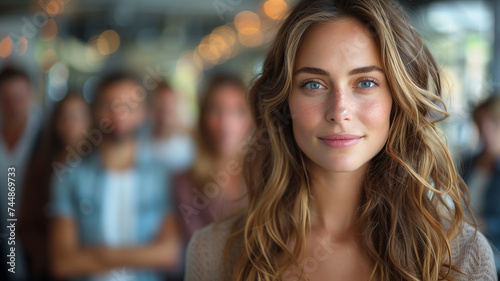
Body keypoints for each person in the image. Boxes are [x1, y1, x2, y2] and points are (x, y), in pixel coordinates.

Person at [185, 0, 497, 280]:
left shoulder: (460, 256)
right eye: (313, 85)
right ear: (284, 103)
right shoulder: (216, 253)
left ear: (398, 98)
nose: (339, 111)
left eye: (365, 82)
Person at [49, 73, 181, 281]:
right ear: (95, 112)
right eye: (109, 105)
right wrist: (144, 254)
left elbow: (170, 253)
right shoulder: (70, 175)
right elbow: (63, 262)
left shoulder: (160, 174)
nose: (119, 115)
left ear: (144, 112)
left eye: (130, 106)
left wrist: (97, 255)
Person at [18, 94, 92, 280]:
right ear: (56, 123)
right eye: (65, 117)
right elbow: (27, 224)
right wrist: (46, 260)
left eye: (77, 116)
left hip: (93, 264)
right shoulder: (41, 167)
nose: (71, 124)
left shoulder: (100, 167)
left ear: (90, 121)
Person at [174, 74, 253, 244]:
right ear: (203, 119)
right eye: (216, 111)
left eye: (238, 111)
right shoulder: (184, 182)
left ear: (251, 119)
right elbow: (196, 245)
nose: (226, 123)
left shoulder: (270, 174)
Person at [0, 65, 43, 281]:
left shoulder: (45, 137)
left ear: (31, 96)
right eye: (6, 98)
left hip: (33, 240)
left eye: (20, 97)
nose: (13, 105)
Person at [460, 95, 500, 278]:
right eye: (481, 123)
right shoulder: (468, 162)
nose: (486, 131)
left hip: (495, 251)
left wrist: (487, 225)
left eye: (492, 123)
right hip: (463, 245)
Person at [149, 81, 195, 173]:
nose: (165, 113)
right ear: (151, 107)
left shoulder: (187, 148)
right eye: (161, 106)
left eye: (169, 106)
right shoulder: (139, 144)